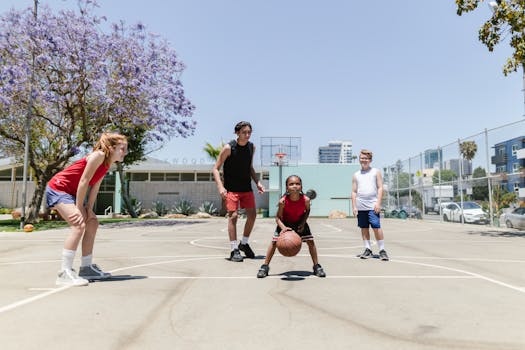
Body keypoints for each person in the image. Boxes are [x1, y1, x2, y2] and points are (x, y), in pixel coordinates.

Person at [46, 132, 128, 286]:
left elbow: (95, 185)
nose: (125, 152)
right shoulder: (98, 156)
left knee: (92, 222)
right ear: (111, 148)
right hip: (58, 188)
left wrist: (89, 209)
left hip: (70, 192)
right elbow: (84, 181)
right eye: (122, 149)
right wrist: (78, 208)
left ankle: (86, 268)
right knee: (78, 224)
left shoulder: (107, 163)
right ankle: (64, 272)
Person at [213, 121, 265, 262]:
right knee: (234, 216)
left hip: (246, 188)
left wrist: (258, 182)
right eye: (244, 132)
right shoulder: (229, 148)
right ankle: (234, 249)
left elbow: (250, 168)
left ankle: (244, 243)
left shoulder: (251, 147)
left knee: (252, 215)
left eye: (249, 132)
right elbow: (215, 169)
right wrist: (220, 187)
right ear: (237, 133)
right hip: (231, 189)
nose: (247, 135)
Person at [257, 175, 326, 278]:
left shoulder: (306, 200)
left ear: (301, 187)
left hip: (300, 222)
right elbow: (277, 218)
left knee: (311, 242)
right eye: (291, 184)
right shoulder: (283, 201)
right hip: (285, 223)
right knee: (274, 242)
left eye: (297, 184)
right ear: (287, 187)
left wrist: (303, 223)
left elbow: (307, 211)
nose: (295, 186)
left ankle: (317, 266)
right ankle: (265, 266)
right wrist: (284, 228)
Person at [351, 149, 389, 261]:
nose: (364, 160)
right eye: (362, 158)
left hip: (373, 205)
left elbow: (380, 187)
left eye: (366, 158)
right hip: (360, 205)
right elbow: (354, 191)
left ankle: (382, 250)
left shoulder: (375, 172)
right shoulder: (356, 175)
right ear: (359, 159)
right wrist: (354, 206)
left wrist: (378, 203)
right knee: (364, 228)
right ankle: (368, 249)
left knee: (376, 227)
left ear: (370, 160)